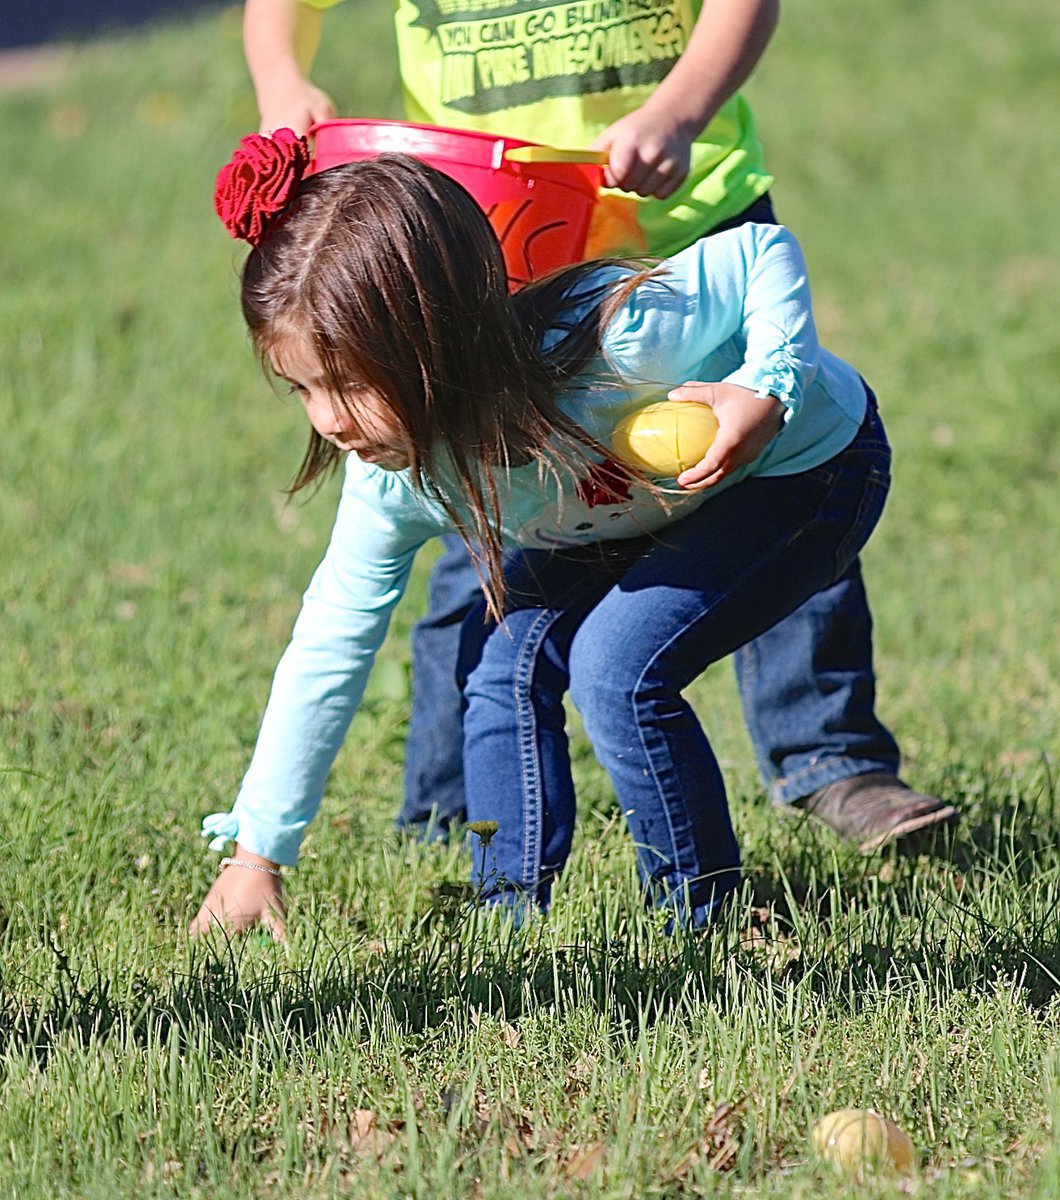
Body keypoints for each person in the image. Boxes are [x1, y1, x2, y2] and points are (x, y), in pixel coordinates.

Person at [235, 0, 959, 851]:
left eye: (339, 392)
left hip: (676, 220)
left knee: (756, 486)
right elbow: (335, 628)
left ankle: (828, 759)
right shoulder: (394, 455)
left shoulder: (638, 326)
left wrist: (682, 109)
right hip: (481, 244)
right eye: (305, 395)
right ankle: (450, 816)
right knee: (490, 573)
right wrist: (280, 78)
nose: (326, 424)